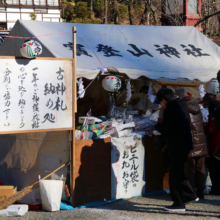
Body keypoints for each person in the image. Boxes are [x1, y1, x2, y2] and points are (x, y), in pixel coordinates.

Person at [155, 88, 198, 212]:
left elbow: (166, 127)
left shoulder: (171, 106)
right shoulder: (181, 102)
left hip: (176, 145)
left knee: (174, 174)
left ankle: (178, 203)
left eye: (160, 102)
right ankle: (190, 195)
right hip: (185, 143)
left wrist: (156, 125)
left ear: (163, 99)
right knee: (178, 171)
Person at [182, 92, 208, 200]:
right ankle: (201, 192)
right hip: (201, 144)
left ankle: (191, 193)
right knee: (200, 169)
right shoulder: (199, 110)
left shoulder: (184, 110)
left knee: (189, 170)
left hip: (191, 145)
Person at [204, 100, 220, 195]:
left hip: (215, 146)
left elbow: (210, 130)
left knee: (215, 169)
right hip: (216, 145)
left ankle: (216, 188)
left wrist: (202, 127)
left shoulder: (214, 117)